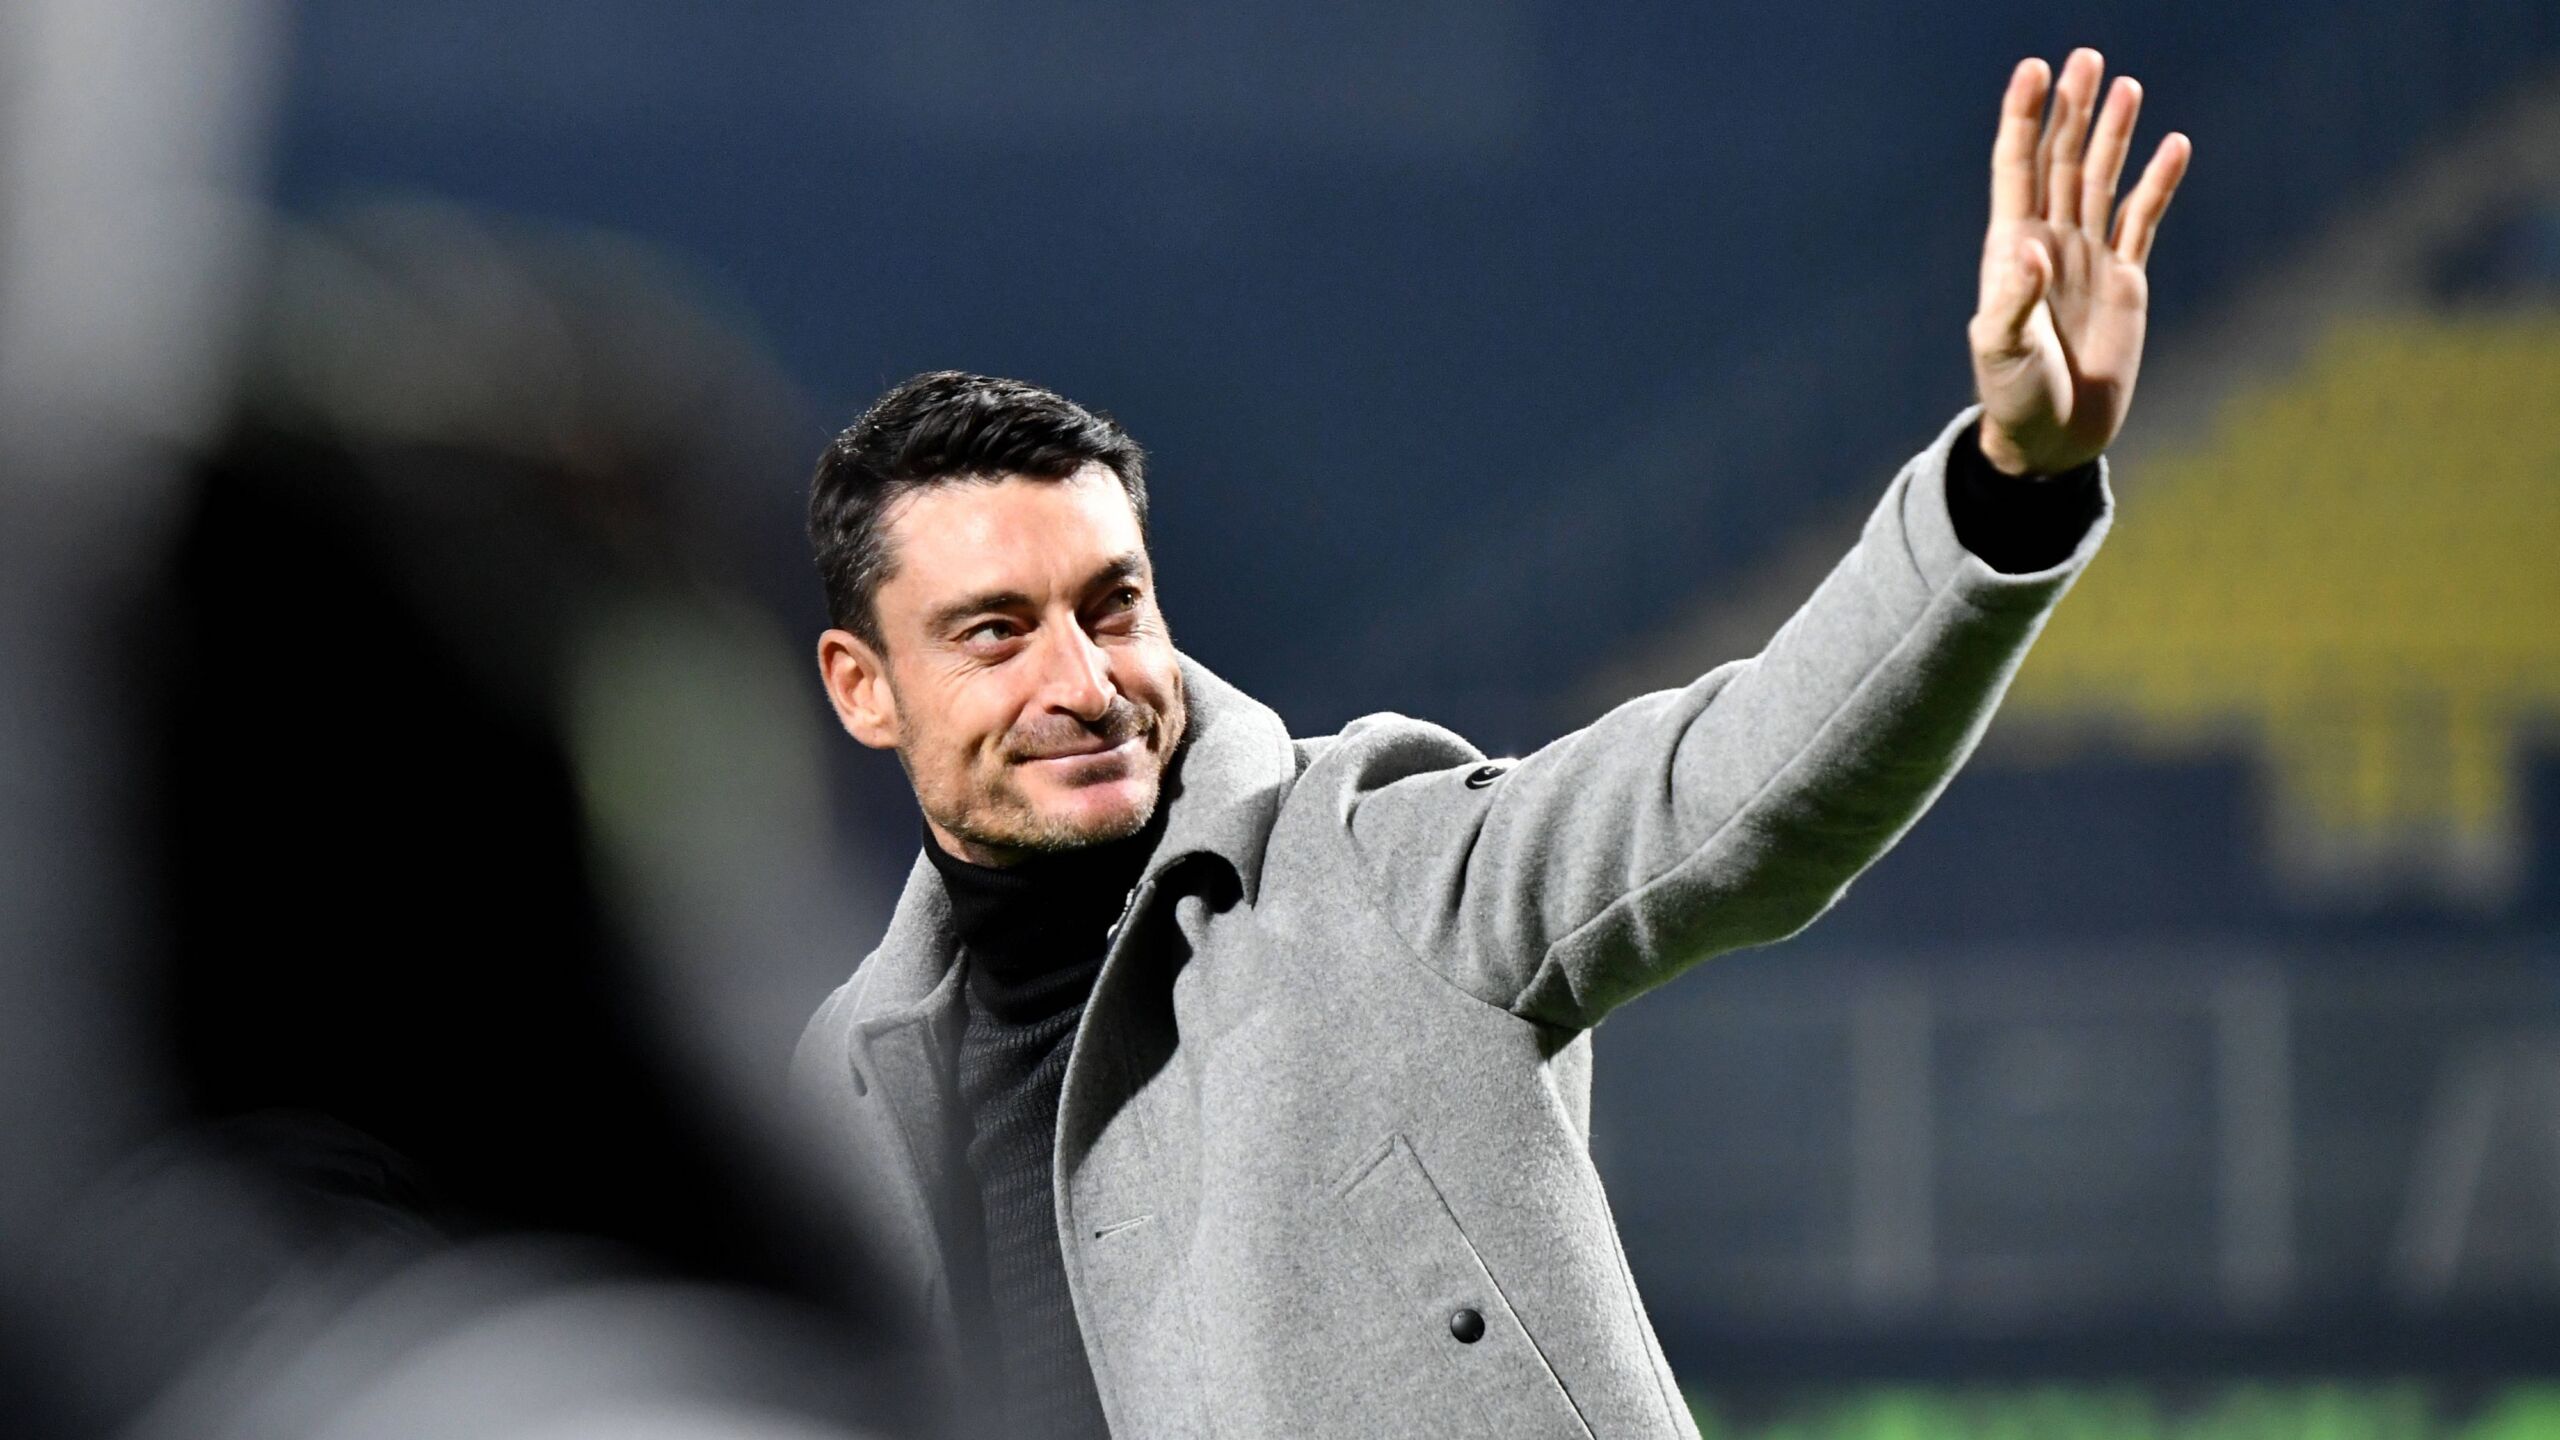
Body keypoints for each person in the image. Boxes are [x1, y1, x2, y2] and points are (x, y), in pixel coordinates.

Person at [794, 49, 2189, 1439]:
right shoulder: (836, 1088)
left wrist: (2013, 483)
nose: (1085, 681)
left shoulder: (1377, 868)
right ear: (865, 688)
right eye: (995, 633)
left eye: (1115, 606)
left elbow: (1737, 789)